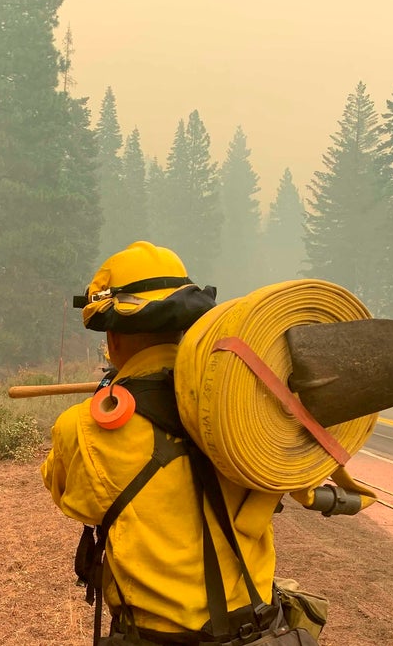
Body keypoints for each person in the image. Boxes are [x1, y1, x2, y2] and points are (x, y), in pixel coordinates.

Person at [42, 242, 312, 645]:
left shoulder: (82, 428)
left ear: (112, 337)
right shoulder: (248, 409)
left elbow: (68, 495)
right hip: (259, 633)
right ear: (186, 324)